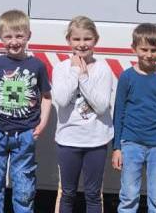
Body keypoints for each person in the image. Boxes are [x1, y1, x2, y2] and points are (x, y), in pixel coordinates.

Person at [0, 10, 53, 213]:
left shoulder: (37, 65)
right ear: (1, 37)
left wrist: (42, 124)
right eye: (8, 36)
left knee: (24, 188)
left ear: (28, 35)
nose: (14, 41)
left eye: (19, 36)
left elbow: (46, 97)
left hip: (25, 135)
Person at [111, 23, 156, 213]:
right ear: (133, 48)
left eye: (153, 50)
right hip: (131, 143)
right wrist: (117, 147)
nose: (148, 55)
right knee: (128, 197)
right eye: (143, 49)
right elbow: (119, 113)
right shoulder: (127, 77)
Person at [51, 16, 117, 213]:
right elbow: (62, 99)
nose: (82, 44)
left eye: (87, 39)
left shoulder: (103, 69)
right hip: (68, 140)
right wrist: (74, 71)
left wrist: (84, 77)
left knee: (93, 194)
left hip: (95, 141)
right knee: (68, 193)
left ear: (95, 40)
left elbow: (102, 106)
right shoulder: (61, 68)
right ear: (69, 41)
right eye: (77, 39)